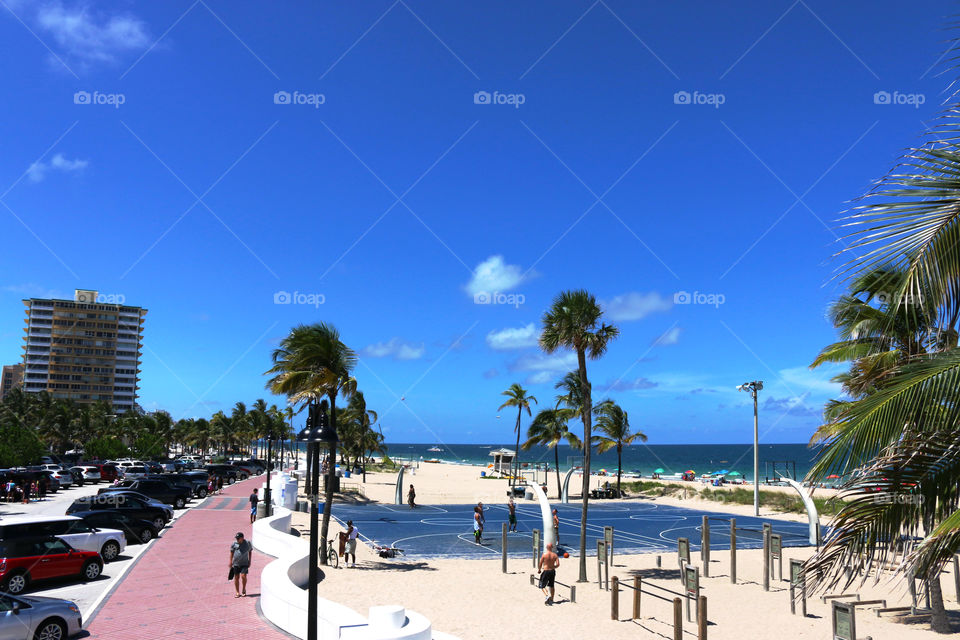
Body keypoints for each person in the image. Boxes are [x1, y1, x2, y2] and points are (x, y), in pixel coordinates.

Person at [229, 532, 252, 597]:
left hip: (244, 563)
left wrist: (250, 561)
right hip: (236, 563)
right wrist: (230, 561)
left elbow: (250, 551)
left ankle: (243, 589)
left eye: (238, 538)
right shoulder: (234, 544)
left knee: (243, 576)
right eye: (236, 538)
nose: (237, 539)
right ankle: (237, 592)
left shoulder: (247, 543)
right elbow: (231, 552)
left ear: (242, 538)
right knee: (236, 577)